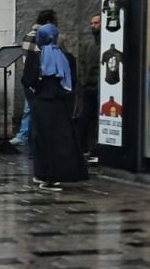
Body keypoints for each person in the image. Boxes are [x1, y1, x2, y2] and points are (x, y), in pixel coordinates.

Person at [22, 23, 87, 191]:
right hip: (59, 103)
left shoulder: (35, 57)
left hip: (42, 102)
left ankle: (42, 173)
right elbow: (71, 80)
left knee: (41, 139)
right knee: (58, 141)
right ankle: (53, 175)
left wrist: (37, 87)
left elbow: (28, 80)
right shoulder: (65, 56)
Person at [13, 10, 57, 146]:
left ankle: (23, 134)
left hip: (29, 76)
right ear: (49, 22)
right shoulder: (43, 35)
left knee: (29, 107)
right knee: (33, 108)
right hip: (38, 77)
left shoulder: (28, 35)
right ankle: (27, 135)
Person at [77, 13, 102, 163]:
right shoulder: (87, 43)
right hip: (89, 86)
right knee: (84, 118)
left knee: (95, 120)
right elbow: (82, 64)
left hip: (99, 86)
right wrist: (83, 82)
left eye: (96, 23)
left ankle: (94, 149)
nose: (93, 25)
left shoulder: (103, 43)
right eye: (92, 23)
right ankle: (84, 148)